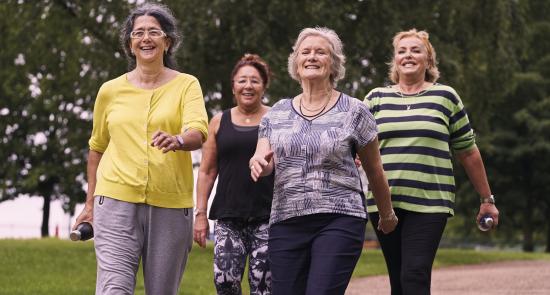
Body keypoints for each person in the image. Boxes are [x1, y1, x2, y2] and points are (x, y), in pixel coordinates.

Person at [249, 27, 398, 295]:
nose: (312, 56)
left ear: (334, 63)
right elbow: (265, 159)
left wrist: (386, 215)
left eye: (321, 52)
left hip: (339, 218)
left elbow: (375, 171)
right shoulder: (276, 113)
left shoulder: (355, 111)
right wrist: (258, 163)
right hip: (287, 219)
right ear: (296, 62)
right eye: (305, 52)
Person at [72, 3, 208, 295]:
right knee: (114, 289)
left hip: (171, 205)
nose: (146, 38)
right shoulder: (109, 90)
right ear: (130, 44)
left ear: (167, 41)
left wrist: (179, 140)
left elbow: (198, 132)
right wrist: (88, 205)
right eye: (138, 33)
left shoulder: (187, 85)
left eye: (153, 32)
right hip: (115, 199)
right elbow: (97, 149)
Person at [363, 28, 500, 295]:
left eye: (416, 50)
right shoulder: (376, 98)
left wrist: (487, 199)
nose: (408, 55)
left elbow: (468, 151)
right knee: (399, 279)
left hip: (430, 201)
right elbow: (355, 144)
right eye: (401, 51)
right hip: (384, 202)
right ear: (395, 60)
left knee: (414, 273)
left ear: (429, 60)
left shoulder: (445, 97)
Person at [193, 54, 274, 295]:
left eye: (254, 81)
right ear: (233, 87)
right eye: (242, 81)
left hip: (268, 216)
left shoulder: (277, 119)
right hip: (229, 218)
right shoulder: (219, 121)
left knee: (264, 286)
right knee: (225, 282)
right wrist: (200, 214)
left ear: (263, 86)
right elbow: (207, 172)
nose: (248, 86)